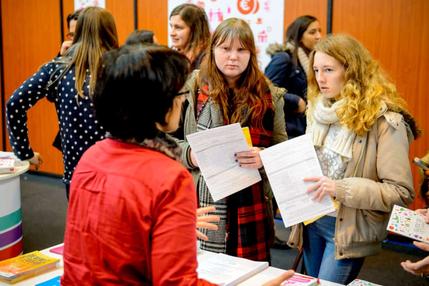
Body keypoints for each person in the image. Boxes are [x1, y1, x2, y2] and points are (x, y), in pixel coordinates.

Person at [61, 43, 293, 286]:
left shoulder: (92, 157)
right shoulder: (168, 177)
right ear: (159, 104)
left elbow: (105, 239)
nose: (183, 102)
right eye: (180, 94)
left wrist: (165, 224)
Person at [287, 34, 419, 284]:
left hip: (348, 228)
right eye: (316, 69)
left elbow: (400, 191)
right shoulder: (318, 109)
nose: (320, 78)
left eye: (328, 69)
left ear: (352, 70)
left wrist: (340, 188)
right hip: (311, 220)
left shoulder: (385, 120)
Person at [174, 18, 287, 262]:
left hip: (252, 201)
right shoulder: (191, 86)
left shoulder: (269, 93)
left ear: (251, 53)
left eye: (241, 49)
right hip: (202, 200)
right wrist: (190, 155)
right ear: (213, 49)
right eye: (225, 49)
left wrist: (264, 157)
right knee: (204, 271)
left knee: (249, 274)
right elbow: (164, 142)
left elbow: (282, 149)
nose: (233, 57)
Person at [6, 7, 119, 198]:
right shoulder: (122, 69)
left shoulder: (57, 69)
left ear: (79, 31)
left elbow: (14, 104)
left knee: (80, 227)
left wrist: (24, 151)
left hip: (76, 175)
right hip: (117, 175)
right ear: (109, 32)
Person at [265, 15, 322, 138]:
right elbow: (265, 90)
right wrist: (295, 101)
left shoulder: (309, 60)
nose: (319, 36)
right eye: (312, 32)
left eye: (319, 31)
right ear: (299, 36)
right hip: (286, 131)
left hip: (303, 129)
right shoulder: (284, 58)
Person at [52, 9, 82, 152]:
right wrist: (60, 58)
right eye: (72, 35)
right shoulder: (64, 59)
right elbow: (51, 95)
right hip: (71, 140)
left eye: (80, 35)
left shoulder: (109, 59)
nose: (75, 40)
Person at [169, 3, 210, 70]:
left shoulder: (207, 59)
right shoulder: (172, 55)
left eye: (178, 28)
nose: (172, 33)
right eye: (171, 26)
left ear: (195, 30)